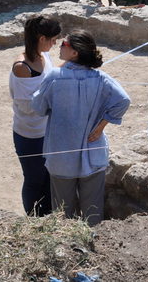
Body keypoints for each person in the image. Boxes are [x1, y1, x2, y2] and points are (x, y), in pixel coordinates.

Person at [31, 30, 131, 226]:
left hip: (61, 156)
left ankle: (68, 245)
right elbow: (123, 100)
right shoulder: (100, 78)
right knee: (93, 214)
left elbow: (38, 108)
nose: (59, 46)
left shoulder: (54, 76)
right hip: (93, 154)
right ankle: (94, 242)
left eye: (64, 44)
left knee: (62, 215)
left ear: (74, 52)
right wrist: (102, 125)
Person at [9, 15, 62, 217]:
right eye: (53, 39)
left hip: (47, 130)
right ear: (42, 38)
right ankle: (33, 218)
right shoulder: (22, 67)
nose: (54, 44)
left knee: (48, 176)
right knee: (34, 180)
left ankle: (47, 216)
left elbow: (51, 77)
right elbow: (26, 106)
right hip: (29, 135)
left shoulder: (44, 55)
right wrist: (53, 95)